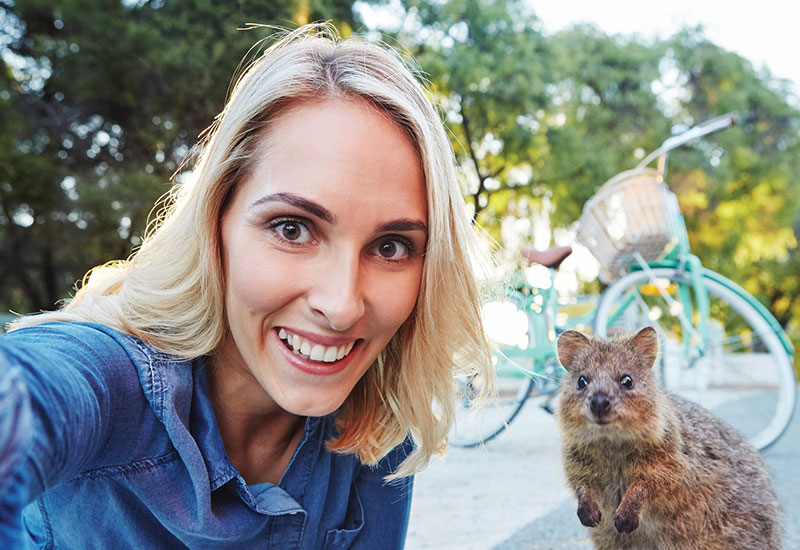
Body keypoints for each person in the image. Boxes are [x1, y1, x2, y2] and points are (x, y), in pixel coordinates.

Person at [0, 23, 492, 549]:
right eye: (292, 229)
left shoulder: (378, 427)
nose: (343, 306)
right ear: (217, 221)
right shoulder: (111, 377)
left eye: (391, 246)